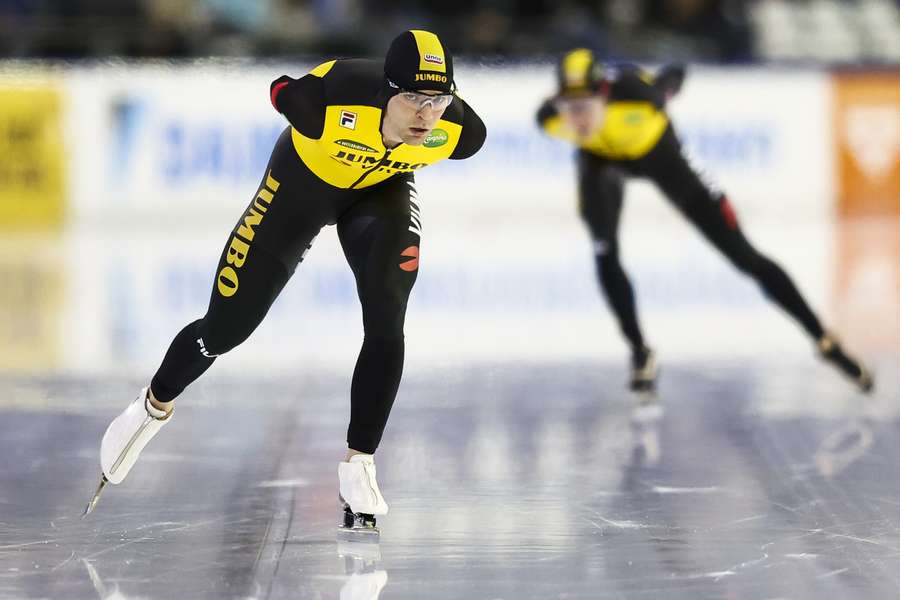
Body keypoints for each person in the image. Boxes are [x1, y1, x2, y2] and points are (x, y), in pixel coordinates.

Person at [85, 30, 486, 538]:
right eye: (412, 98)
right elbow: (280, 87)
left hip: (379, 195)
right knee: (226, 330)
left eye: (438, 100)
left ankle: (359, 462)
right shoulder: (329, 102)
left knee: (387, 317)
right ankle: (152, 405)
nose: (426, 115)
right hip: (300, 188)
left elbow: (453, 125)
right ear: (386, 90)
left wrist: (430, 113)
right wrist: (297, 96)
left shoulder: (459, 132)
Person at [536, 48, 873, 394]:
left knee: (744, 256)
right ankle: (640, 351)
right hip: (601, 163)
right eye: (569, 108)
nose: (578, 119)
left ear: (604, 94)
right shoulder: (549, 119)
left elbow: (675, 72)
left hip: (663, 159)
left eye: (585, 106)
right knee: (604, 250)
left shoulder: (638, 96)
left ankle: (823, 339)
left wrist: (667, 82)